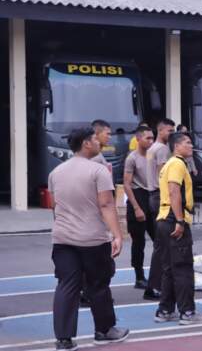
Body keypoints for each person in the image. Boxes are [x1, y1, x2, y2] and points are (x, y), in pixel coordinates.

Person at [49, 127, 129, 350]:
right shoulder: (98, 170)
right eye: (95, 139)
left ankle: (64, 339)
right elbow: (106, 204)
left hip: (62, 238)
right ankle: (104, 330)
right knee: (98, 285)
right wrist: (117, 235)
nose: (99, 142)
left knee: (66, 286)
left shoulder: (56, 172)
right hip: (92, 239)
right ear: (86, 143)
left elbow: (55, 206)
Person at [153, 132, 202, 325]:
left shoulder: (169, 164)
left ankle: (165, 310)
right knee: (183, 268)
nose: (191, 145)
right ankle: (188, 313)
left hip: (163, 219)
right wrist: (179, 220)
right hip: (173, 218)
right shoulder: (177, 164)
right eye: (187, 142)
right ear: (176, 146)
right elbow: (174, 191)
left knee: (169, 268)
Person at [143, 118, 175, 300]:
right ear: (160, 131)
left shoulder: (152, 148)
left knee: (160, 244)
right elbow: (165, 175)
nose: (171, 134)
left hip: (153, 196)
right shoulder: (162, 149)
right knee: (162, 245)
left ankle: (156, 284)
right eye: (169, 131)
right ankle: (154, 286)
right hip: (161, 196)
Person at [123, 125, 156, 290]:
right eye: (147, 138)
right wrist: (136, 208)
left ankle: (159, 275)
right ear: (138, 139)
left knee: (160, 239)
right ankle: (139, 277)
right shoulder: (132, 158)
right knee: (139, 242)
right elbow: (127, 185)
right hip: (138, 197)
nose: (151, 141)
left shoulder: (154, 156)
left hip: (152, 197)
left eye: (152, 138)